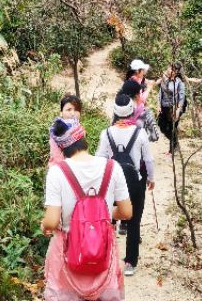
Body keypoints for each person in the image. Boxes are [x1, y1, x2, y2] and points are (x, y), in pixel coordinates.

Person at [42, 117, 132, 301]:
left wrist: (45, 225)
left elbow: (51, 221)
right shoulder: (112, 167)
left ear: (61, 147)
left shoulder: (57, 172)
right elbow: (126, 212)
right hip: (102, 252)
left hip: (68, 253)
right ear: (84, 136)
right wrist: (106, 215)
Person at [96, 93, 155, 277]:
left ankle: (106, 259)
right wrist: (150, 178)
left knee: (109, 220)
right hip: (135, 182)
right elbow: (148, 160)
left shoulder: (106, 133)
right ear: (131, 112)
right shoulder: (140, 133)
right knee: (134, 221)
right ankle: (130, 262)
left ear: (114, 112)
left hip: (113, 184)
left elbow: (100, 159)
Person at [158, 63, 186, 155]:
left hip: (174, 107)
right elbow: (160, 93)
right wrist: (158, 105)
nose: (169, 70)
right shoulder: (164, 80)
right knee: (162, 126)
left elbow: (181, 97)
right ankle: (175, 143)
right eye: (169, 68)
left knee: (171, 128)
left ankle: (172, 150)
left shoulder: (179, 82)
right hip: (164, 106)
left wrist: (178, 110)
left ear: (175, 72)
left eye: (172, 69)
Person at [48, 94, 82, 165]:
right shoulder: (56, 130)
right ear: (61, 113)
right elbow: (57, 156)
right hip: (60, 170)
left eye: (76, 110)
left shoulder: (79, 129)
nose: (73, 113)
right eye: (68, 110)